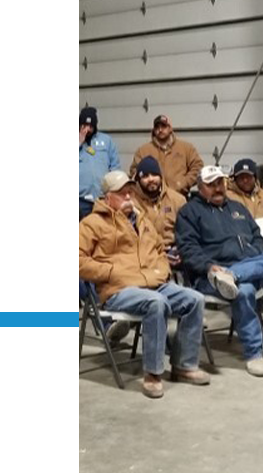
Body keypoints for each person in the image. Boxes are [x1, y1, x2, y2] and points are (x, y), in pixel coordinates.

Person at [79, 170, 209, 399]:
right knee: (156, 303)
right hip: (119, 289)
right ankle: (153, 373)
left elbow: (159, 250)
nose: (128, 197)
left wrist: (162, 269)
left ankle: (184, 364)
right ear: (107, 197)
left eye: (129, 192)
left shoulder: (142, 220)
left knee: (194, 299)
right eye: (122, 193)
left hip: (152, 281)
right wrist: (110, 272)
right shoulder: (91, 224)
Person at [175, 165, 263, 377]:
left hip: (246, 268)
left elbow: (258, 238)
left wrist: (253, 258)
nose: (217, 188)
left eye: (220, 183)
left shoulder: (238, 208)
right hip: (210, 275)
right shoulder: (188, 212)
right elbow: (188, 251)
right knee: (244, 291)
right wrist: (210, 267)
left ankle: (235, 275)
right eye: (211, 184)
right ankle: (254, 354)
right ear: (200, 188)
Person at [132, 155, 186, 266]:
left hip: (175, 254)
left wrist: (180, 250)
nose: (151, 179)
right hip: (145, 256)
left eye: (154, 174)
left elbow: (187, 232)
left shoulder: (177, 199)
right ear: (138, 180)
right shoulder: (132, 202)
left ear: (161, 176)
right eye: (145, 176)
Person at [130, 114, 203, 196]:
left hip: (179, 197)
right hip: (151, 200)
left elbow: (198, 167)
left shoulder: (186, 148)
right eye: (157, 127)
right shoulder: (143, 150)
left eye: (163, 126)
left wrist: (183, 183)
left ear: (170, 128)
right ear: (154, 130)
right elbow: (135, 172)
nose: (160, 130)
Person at [79, 106, 121, 217]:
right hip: (81, 200)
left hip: (102, 199)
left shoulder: (106, 140)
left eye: (90, 126)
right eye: (84, 125)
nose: (87, 129)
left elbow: (115, 167)